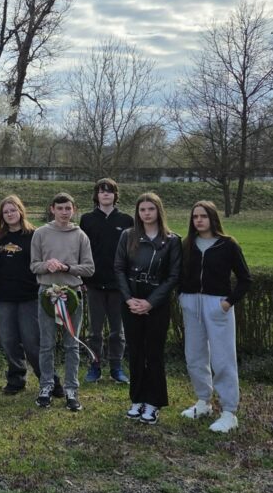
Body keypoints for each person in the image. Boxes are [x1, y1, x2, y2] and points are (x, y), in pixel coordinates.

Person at [179, 200, 252, 434]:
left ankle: (229, 412)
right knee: (194, 356)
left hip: (217, 305)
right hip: (191, 304)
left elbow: (245, 279)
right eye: (195, 217)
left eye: (203, 216)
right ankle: (203, 402)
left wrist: (227, 303)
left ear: (212, 218)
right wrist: (183, 296)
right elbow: (177, 274)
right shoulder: (187, 244)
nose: (199, 220)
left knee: (222, 358)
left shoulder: (228, 245)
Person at [113, 192, 182, 425]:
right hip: (131, 303)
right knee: (135, 352)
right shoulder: (127, 236)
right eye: (142, 210)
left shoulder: (172, 240)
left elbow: (173, 276)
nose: (146, 213)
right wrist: (128, 299)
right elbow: (119, 268)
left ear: (158, 211)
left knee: (153, 353)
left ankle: (154, 402)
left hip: (157, 304)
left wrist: (151, 302)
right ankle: (137, 398)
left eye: (151, 209)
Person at [30, 193, 95, 412]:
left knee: (71, 344)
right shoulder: (40, 233)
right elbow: (33, 265)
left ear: (73, 210)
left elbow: (89, 268)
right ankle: (46, 386)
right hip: (47, 293)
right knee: (46, 344)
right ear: (52, 209)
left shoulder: (80, 235)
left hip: (72, 294)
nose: (64, 212)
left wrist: (67, 268)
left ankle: (71, 389)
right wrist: (46, 265)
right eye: (60, 208)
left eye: (68, 208)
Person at [79, 178, 134, 384]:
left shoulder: (127, 220)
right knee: (95, 331)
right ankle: (95, 366)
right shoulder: (87, 219)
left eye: (109, 191)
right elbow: (81, 250)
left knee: (117, 331)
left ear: (115, 195)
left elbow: (132, 252)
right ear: (96, 195)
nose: (105, 194)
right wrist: (82, 278)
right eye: (101, 191)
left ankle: (116, 367)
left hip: (118, 285)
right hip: (94, 283)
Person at [0, 195, 41, 395]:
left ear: (20, 211)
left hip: (29, 296)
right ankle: (16, 379)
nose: (10, 214)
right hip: (4, 297)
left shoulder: (34, 235)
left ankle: (47, 378)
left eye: (13, 210)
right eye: (6, 212)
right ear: (1, 216)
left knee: (32, 342)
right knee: (9, 341)